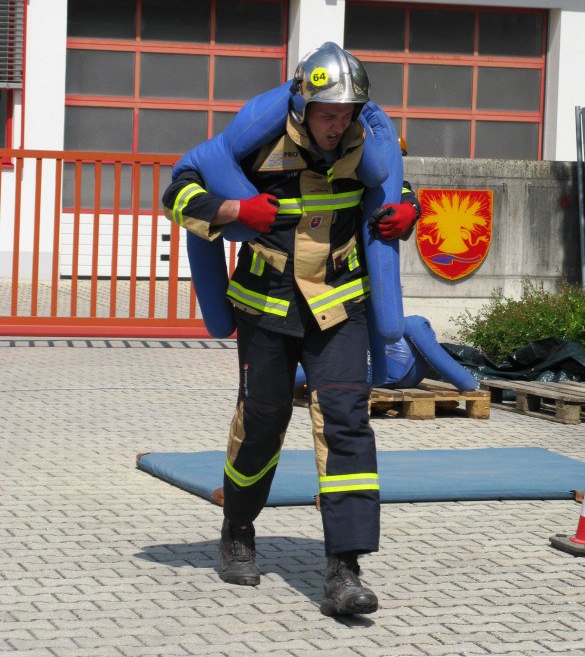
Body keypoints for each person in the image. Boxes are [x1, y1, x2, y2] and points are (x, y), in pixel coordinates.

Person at [162, 42, 420, 617]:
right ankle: (237, 529)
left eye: (347, 113)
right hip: (265, 308)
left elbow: (395, 188)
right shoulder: (258, 144)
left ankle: (345, 567)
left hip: (339, 307)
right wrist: (235, 211)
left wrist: (410, 211)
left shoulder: (366, 143)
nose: (337, 125)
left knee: (347, 423)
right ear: (303, 107)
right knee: (263, 421)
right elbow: (176, 194)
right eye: (328, 114)